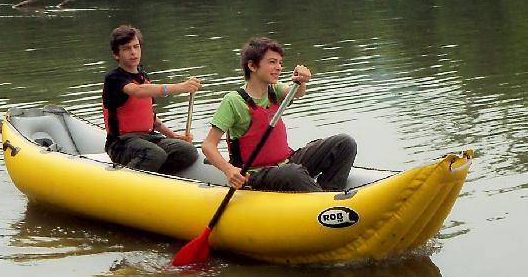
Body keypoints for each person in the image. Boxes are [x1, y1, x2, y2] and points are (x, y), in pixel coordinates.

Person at [202, 37, 356, 192]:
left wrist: (300, 81)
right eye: (272, 62)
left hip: (286, 163)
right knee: (293, 173)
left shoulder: (274, 89)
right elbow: (208, 146)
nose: (279, 67)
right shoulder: (233, 101)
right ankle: (322, 203)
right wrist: (229, 170)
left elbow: (296, 93)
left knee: (344, 143)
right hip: (255, 175)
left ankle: (330, 193)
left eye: (280, 63)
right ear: (252, 66)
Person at [102, 25, 202, 173]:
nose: (133, 52)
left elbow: (151, 117)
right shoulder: (114, 78)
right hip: (121, 144)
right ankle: (126, 182)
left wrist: (174, 136)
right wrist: (180, 87)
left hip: (148, 139)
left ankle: (154, 178)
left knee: (188, 151)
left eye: (136, 47)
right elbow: (137, 91)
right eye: (126, 48)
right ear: (116, 54)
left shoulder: (143, 77)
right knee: (154, 154)